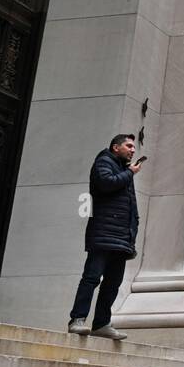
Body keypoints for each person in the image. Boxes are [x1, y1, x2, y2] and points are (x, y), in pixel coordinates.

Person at [69, 134, 142, 340]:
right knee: (91, 278)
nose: (133, 150)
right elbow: (106, 183)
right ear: (115, 147)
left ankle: (101, 323)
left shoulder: (121, 168)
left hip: (121, 238)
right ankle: (77, 319)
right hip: (103, 234)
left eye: (134, 147)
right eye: (128, 146)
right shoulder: (104, 161)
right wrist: (130, 172)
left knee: (112, 284)